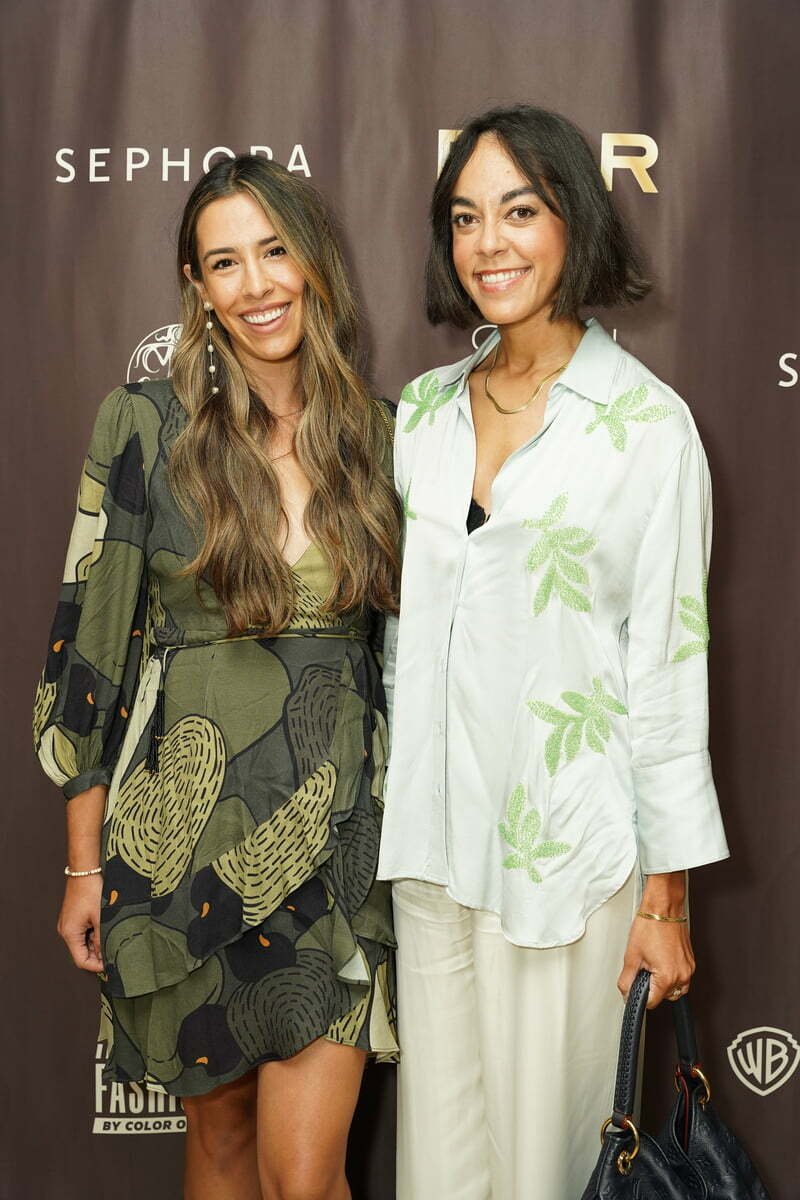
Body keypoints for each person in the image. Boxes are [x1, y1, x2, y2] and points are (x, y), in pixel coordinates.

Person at [34, 154, 402, 1200]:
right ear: (197, 288)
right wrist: (80, 863)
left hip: (340, 845)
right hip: (182, 842)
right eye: (224, 263)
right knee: (224, 1152)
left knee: (301, 1173)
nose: (256, 285)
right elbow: (89, 652)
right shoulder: (145, 426)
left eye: (274, 251)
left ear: (314, 263)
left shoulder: (381, 437)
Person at [377, 105, 729, 1199]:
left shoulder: (645, 428)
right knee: (440, 1174)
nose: (489, 243)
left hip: (564, 868)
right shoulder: (423, 414)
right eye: (466, 216)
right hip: (432, 859)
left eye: (518, 211)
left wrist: (663, 904)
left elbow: (667, 675)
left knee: (546, 1173)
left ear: (572, 220)